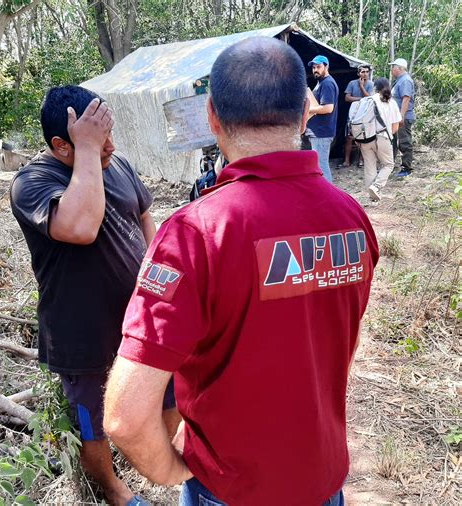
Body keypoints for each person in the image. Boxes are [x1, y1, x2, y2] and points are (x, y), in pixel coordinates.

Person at [103, 37, 379, 506]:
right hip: (323, 480)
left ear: (212, 116)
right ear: (306, 110)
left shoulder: (196, 234)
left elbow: (125, 418)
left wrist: (171, 471)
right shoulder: (351, 217)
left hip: (231, 490)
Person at [10, 85, 177, 506]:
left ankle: (163, 464)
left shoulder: (116, 162)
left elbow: (143, 217)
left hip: (139, 319)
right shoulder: (31, 183)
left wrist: (158, 283)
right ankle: (115, 491)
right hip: (80, 332)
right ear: (61, 145)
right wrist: (88, 149)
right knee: (92, 422)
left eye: (109, 135)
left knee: (169, 392)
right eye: (100, 139)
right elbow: (80, 227)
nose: (112, 147)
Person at [357, 77, 402, 201]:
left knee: (370, 166)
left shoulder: (367, 100)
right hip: (383, 137)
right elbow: (395, 127)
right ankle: (376, 187)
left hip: (366, 138)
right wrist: (387, 137)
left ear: (374, 88)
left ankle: (373, 199)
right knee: (388, 164)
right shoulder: (391, 102)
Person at [306, 55, 339, 183]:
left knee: (322, 165)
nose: (315, 70)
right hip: (318, 132)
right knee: (319, 165)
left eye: (318, 67)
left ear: (326, 66)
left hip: (322, 132)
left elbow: (328, 108)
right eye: (314, 67)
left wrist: (308, 110)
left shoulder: (327, 83)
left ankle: (330, 197)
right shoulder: (321, 83)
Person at [339, 64, 374, 168]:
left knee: (364, 137)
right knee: (349, 137)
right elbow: (347, 98)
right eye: (362, 72)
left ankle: (361, 160)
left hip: (365, 115)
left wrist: (362, 87)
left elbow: (370, 98)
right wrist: (361, 99)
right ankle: (346, 161)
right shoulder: (352, 83)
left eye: (367, 72)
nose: (365, 74)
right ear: (358, 73)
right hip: (353, 114)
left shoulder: (371, 84)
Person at [390, 57, 416, 177]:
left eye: (393, 67)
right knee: (394, 142)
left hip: (403, 117)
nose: (391, 70)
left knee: (404, 142)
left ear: (399, 68)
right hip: (396, 118)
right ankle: (391, 165)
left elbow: (406, 99)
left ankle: (407, 168)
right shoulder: (399, 80)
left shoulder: (405, 80)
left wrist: (401, 117)